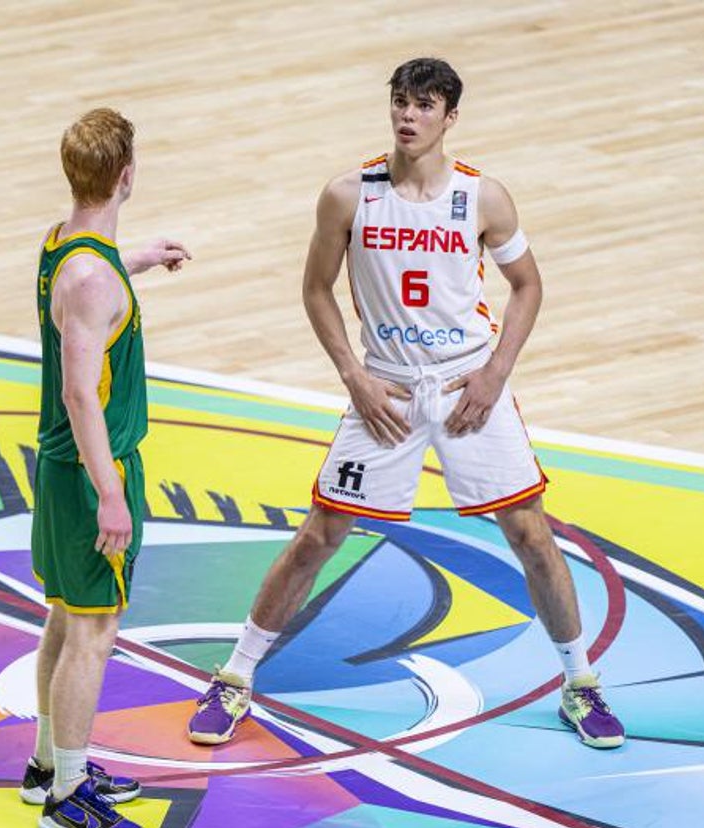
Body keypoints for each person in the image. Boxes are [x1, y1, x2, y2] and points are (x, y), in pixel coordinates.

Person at [187, 58, 623, 751]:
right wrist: (352, 375)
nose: (408, 116)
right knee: (319, 537)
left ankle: (582, 684)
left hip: (465, 387)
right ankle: (234, 678)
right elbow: (316, 289)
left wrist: (495, 372)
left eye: (424, 105)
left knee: (529, 534)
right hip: (385, 386)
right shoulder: (347, 195)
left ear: (450, 117)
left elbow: (528, 285)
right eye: (400, 102)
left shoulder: (485, 198)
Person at [21, 107, 190, 828]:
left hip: (61, 468)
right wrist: (112, 493)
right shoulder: (92, 280)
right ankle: (67, 798)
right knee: (94, 628)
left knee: (65, 613)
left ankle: (43, 769)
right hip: (94, 469)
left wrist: (139, 258)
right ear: (128, 176)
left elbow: (89, 278)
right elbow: (79, 392)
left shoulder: (64, 241)